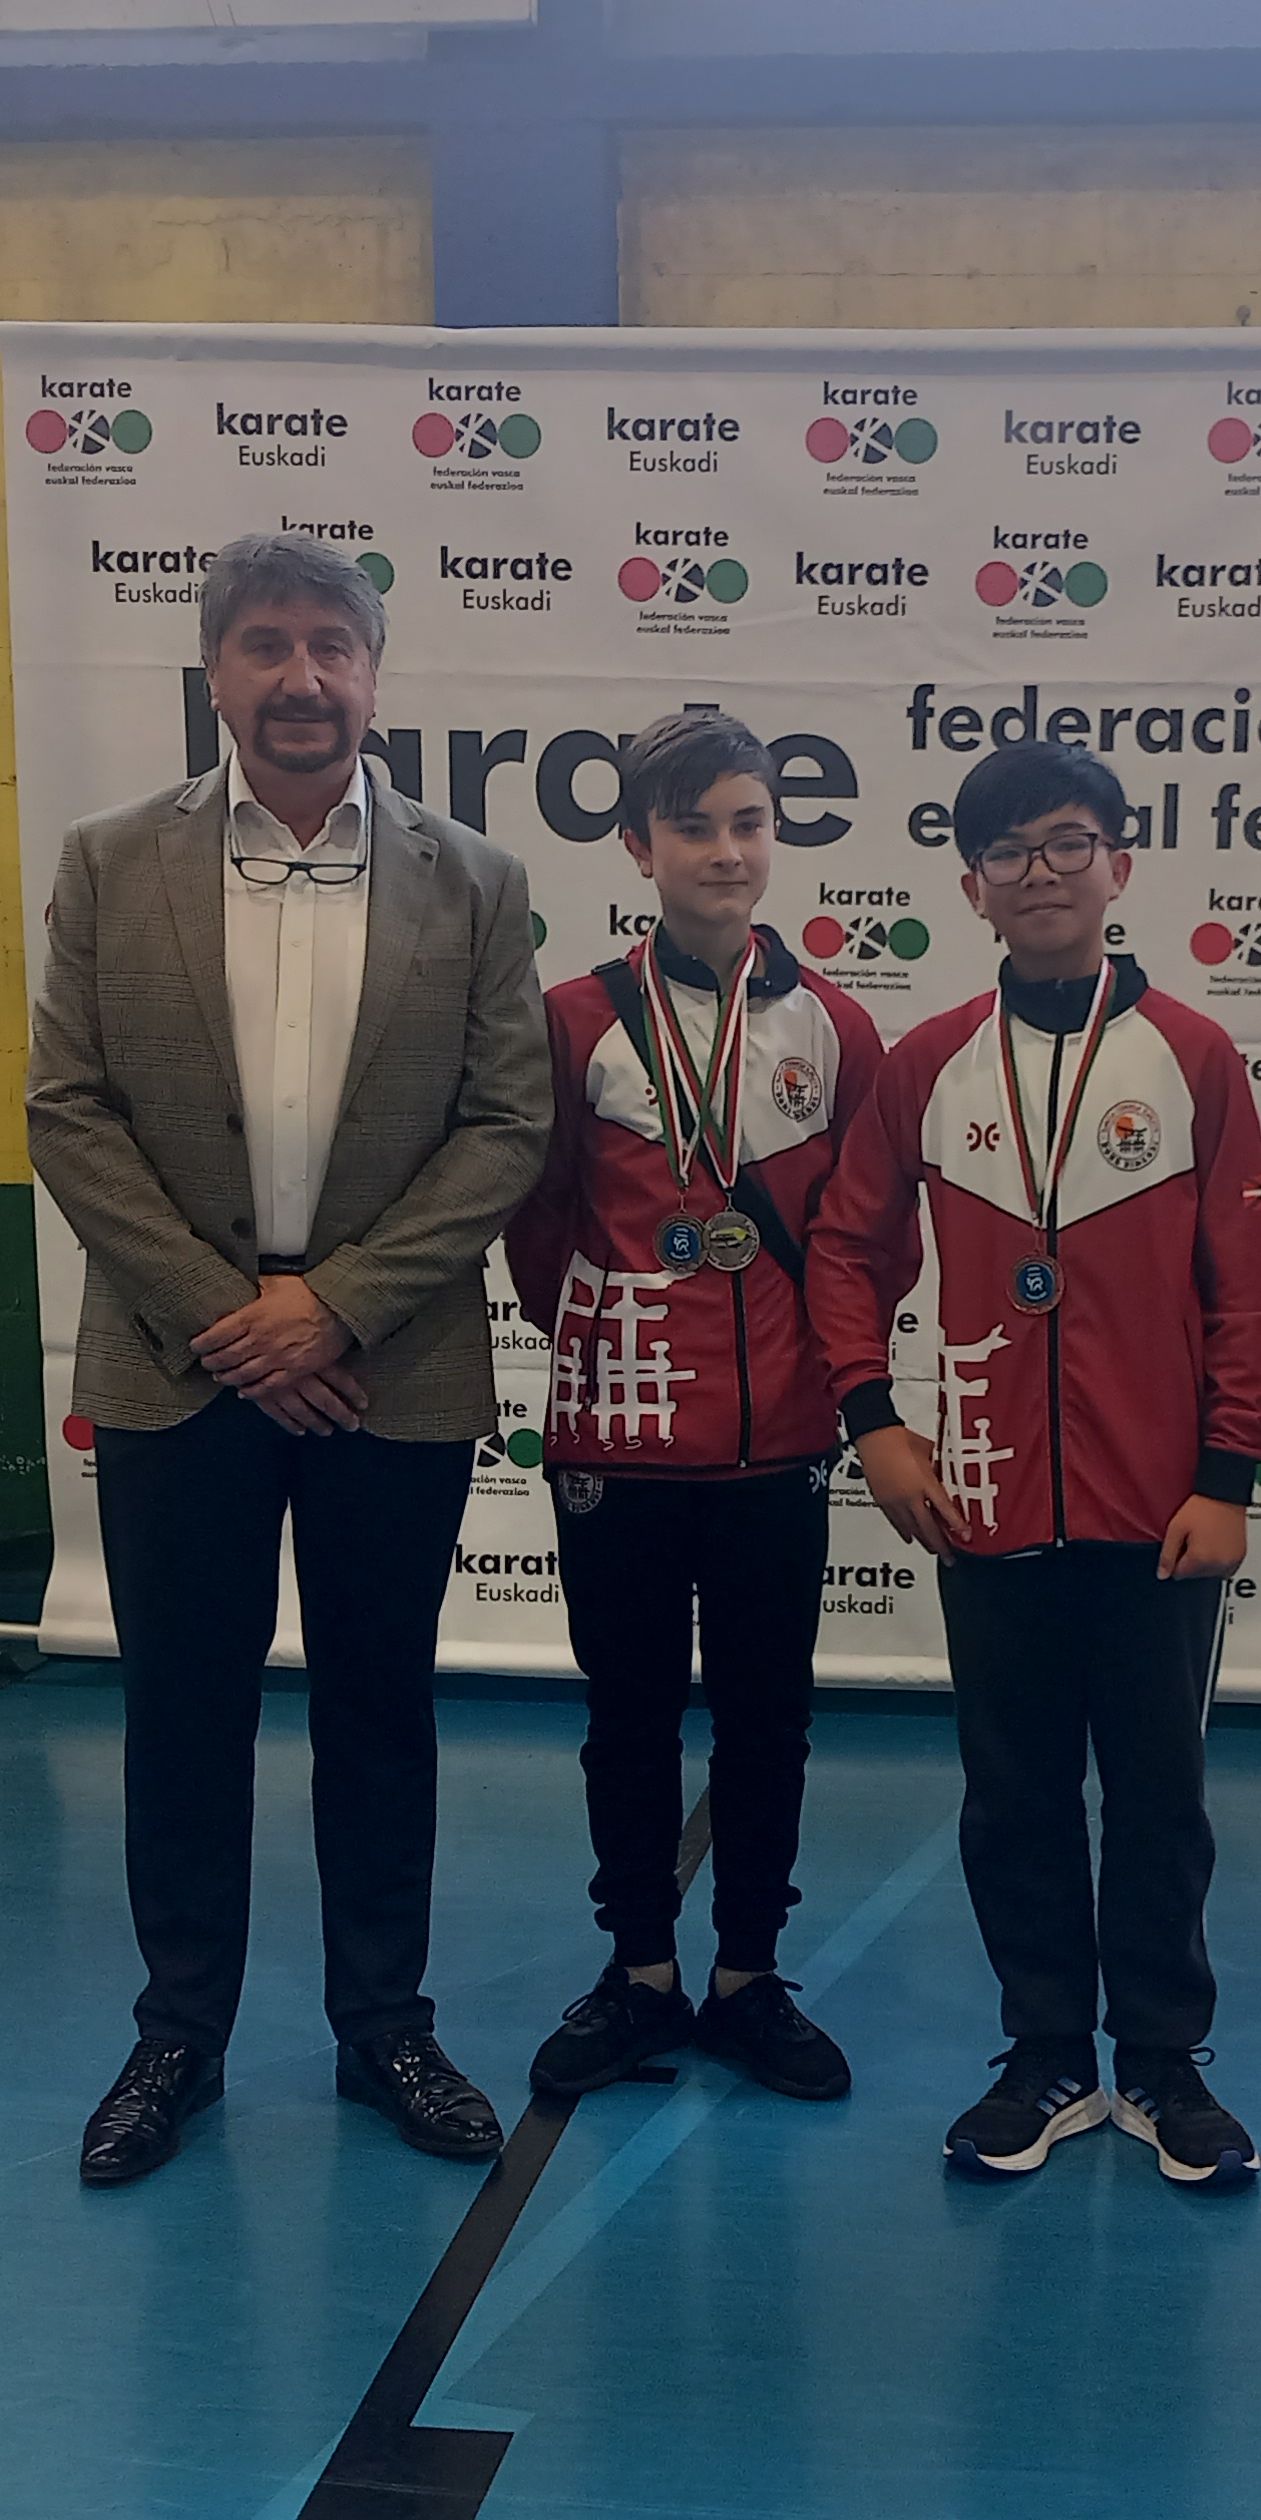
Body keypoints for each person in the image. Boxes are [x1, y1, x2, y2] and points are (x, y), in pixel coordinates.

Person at [26, 533, 549, 2186]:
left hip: (390, 1365)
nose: (303, 677)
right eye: (266, 644)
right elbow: (68, 1110)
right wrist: (234, 1317)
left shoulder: (478, 881)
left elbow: (506, 1124)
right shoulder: (112, 861)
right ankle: (177, 2034)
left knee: (381, 1709)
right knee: (183, 1712)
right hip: (178, 1362)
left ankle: (385, 2024)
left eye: (333, 644)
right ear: (215, 672)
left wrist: (336, 1308)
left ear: (375, 673)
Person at [807, 743, 1261, 2191]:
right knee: (1012, 1795)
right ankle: (1046, 2056)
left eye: (1070, 842)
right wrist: (874, 1422)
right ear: (971, 888)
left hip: (1160, 1513)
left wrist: (1228, 1475)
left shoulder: (1194, 1057)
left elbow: (1248, 1286)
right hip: (988, 1500)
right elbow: (847, 1249)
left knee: (1160, 1798)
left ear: (1120, 864)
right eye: (1009, 852)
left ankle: (1164, 2062)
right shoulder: (928, 1063)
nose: (1042, 872)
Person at [502, 709, 887, 2106]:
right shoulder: (577, 1019)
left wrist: (811, 1367)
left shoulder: (835, 1024)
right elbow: (537, 1220)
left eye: (748, 824)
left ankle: (748, 1978)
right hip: (620, 1428)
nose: (726, 852)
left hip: (779, 1440)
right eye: (694, 827)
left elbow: (864, 1234)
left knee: (768, 1721)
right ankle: (641, 1972)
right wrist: (621, 1331)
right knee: (629, 1717)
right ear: (638, 845)